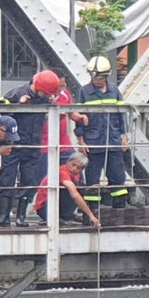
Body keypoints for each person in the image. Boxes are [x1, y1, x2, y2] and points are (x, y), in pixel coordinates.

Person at [0, 69, 61, 227]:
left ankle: (21, 217)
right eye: (44, 93)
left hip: (32, 145)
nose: (46, 96)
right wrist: (18, 105)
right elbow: (0, 109)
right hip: (13, 144)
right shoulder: (18, 93)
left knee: (30, 180)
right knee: (7, 178)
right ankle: (3, 216)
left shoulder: (45, 98)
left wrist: (51, 103)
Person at [76, 55, 130, 212]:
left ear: (106, 76)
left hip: (113, 142)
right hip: (93, 142)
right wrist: (81, 140)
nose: (96, 80)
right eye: (93, 77)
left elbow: (122, 115)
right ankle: (91, 212)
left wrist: (124, 137)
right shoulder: (84, 92)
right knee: (92, 178)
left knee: (118, 178)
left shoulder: (115, 91)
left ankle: (119, 211)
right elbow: (78, 118)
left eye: (99, 77)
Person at [34, 151, 100, 226]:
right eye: (73, 165)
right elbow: (75, 195)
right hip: (45, 207)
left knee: (81, 188)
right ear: (68, 162)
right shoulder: (62, 172)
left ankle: (67, 215)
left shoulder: (76, 175)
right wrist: (90, 215)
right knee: (73, 190)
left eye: (78, 168)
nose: (74, 169)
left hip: (55, 204)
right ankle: (64, 216)